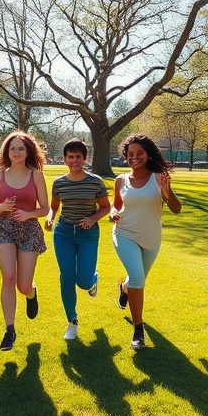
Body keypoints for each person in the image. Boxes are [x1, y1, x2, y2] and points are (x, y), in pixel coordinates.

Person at [110, 133, 182, 349]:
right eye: (130, 154)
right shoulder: (121, 180)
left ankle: (124, 288)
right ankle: (138, 330)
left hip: (151, 238)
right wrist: (113, 213)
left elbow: (176, 209)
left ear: (148, 154)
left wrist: (167, 193)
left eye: (139, 153)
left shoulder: (159, 177)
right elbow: (116, 205)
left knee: (135, 281)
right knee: (138, 277)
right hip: (124, 233)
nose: (134, 157)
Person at [0, 131, 49, 351]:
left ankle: (32, 293)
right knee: (8, 276)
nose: (17, 152)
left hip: (29, 229)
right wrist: (2, 207)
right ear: (6, 152)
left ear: (28, 151)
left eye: (21, 148)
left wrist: (28, 214)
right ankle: (9, 330)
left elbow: (45, 208)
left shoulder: (36, 175)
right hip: (4, 228)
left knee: (23, 285)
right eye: (12, 148)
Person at [45, 138, 111, 340]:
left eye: (78, 157)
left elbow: (106, 207)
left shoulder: (95, 182)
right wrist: (49, 218)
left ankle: (93, 280)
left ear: (85, 158)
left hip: (88, 235)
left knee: (83, 281)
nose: (74, 160)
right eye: (70, 157)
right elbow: (54, 206)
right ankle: (72, 322)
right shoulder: (59, 183)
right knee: (67, 277)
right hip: (63, 232)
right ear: (65, 159)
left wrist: (92, 219)